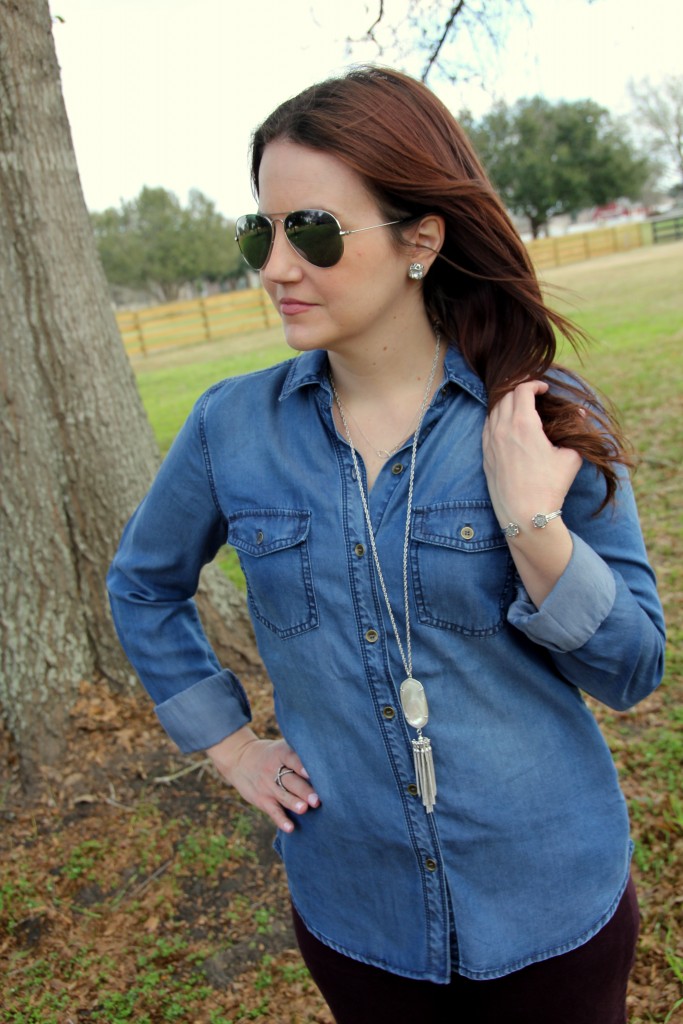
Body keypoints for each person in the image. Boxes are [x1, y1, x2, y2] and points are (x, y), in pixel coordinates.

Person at [107, 66, 665, 1024]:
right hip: (359, 919)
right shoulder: (229, 429)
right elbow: (143, 587)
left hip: (551, 907)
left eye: (313, 232)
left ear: (421, 239)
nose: (276, 267)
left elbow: (632, 671)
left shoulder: (541, 415)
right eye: (262, 233)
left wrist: (534, 529)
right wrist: (230, 746)